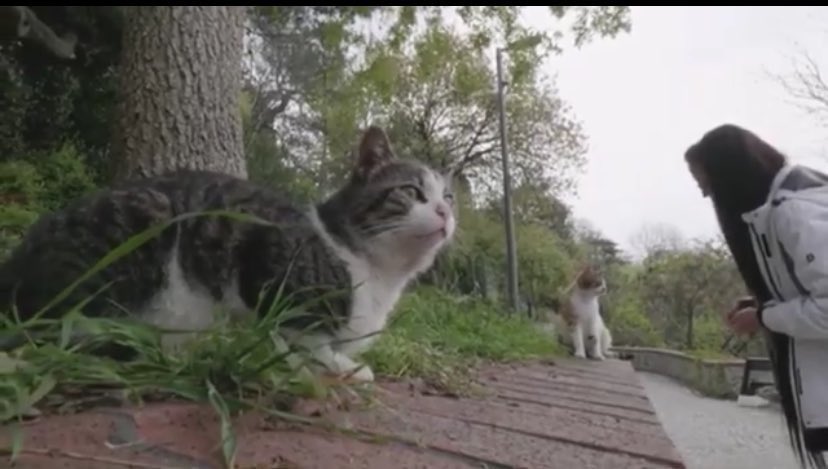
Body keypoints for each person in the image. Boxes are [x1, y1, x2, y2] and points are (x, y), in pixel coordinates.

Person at [685, 124, 828, 468]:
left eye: (708, 185)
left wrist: (765, 317)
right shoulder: (787, 207)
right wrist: (763, 304)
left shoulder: (795, 214)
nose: (707, 196)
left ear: (732, 177)